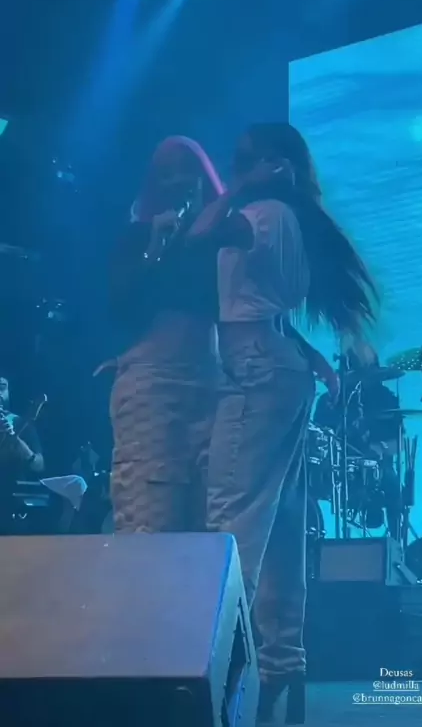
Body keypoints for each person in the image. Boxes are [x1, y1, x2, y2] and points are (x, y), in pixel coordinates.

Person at [188, 123, 377, 724]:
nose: (235, 164)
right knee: (283, 527)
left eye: (246, 158)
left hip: (253, 367)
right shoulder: (283, 217)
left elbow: (198, 235)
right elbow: (266, 301)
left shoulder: (263, 213)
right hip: (275, 362)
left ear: (272, 165)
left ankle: (219, 676)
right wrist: (311, 354)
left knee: (233, 518)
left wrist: (240, 188)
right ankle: (283, 668)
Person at [107, 136, 231, 534]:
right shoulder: (138, 238)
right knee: (149, 522)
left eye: (187, 170)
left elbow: (249, 305)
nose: (178, 180)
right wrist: (154, 248)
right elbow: (119, 308)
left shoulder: (221, 241)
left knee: (208, 528)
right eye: (166, 173)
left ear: (204, 176)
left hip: (212, 387)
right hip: (156, 388)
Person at [314, 350, 402, 538]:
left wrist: (379, 449)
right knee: (306, 484)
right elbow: (317, 437)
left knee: (393, 486)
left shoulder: (386, 397)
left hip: (379, 465)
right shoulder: (329, 400)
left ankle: (397, 543)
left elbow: (398, 442)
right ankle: (314, 540)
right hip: (337, 466)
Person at [0, 375, 44, 532]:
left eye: (2, 387)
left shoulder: (21, 423)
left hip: (15, 501)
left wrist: (15, 439)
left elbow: (39, 465)